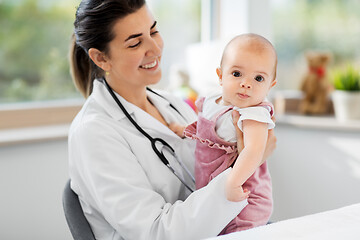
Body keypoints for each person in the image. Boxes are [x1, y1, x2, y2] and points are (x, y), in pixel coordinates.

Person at [68, 1, 277, 239]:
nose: (155, 48)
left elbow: (210, 158)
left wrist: (248, 154)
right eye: (135, 42)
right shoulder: (93, 132)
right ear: (101, 59)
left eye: (154, 31)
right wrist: (240, 172)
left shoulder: (172, 104)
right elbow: (156, 232)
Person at [180, 34, 277, 234]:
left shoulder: (253, 112)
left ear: (270, 85)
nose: (246, 83)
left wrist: (233, 183)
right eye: (236, 74)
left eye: (258, 78)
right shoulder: (211, 100)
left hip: (245, 200)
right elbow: (201, 127)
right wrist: (179, 128)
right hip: (216, 190)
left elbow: (254, 149)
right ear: (220, 75)